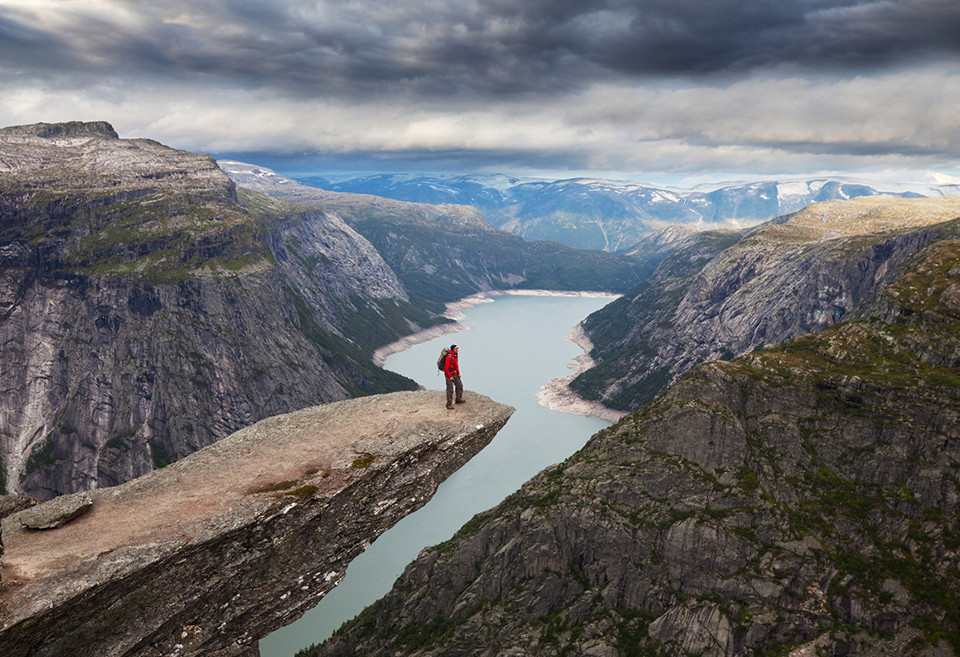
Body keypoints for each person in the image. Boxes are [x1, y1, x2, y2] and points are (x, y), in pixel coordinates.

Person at [444, 344, 465, 409]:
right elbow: (446, 368)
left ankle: (458, 399)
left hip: (455, 373)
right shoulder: (449, 357)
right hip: (449, 374)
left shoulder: (455, 355)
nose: (457, 350)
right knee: (450, 389)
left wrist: (458, 373)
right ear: (453, 349)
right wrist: (449, 376)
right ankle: (449, 404)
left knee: (459, 385)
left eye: (457, 348)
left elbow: (456, 365)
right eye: (456, 349)